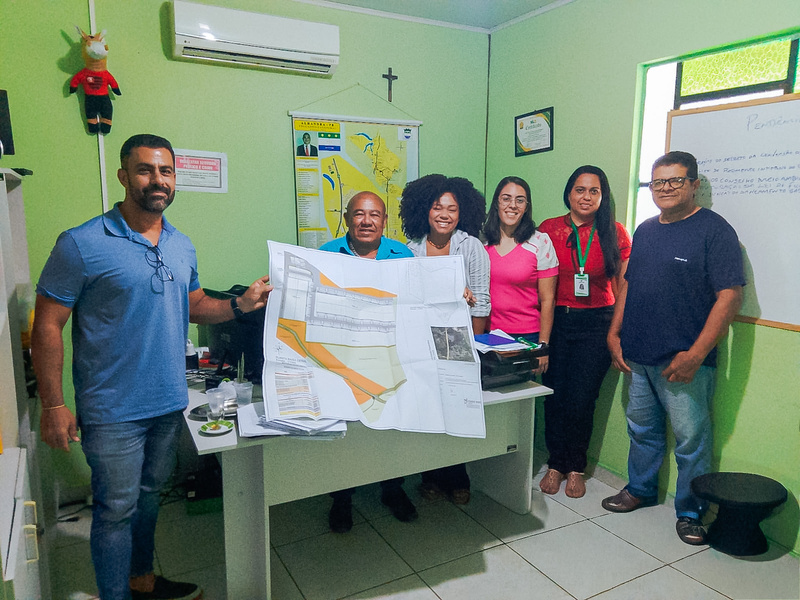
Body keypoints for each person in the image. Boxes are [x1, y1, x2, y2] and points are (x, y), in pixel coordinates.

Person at [31, 134, 272, 600]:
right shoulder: (81, 243)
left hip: (168, 401)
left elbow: (195, 305)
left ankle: (140, 580)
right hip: (112, 409)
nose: (157, 180)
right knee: (115, 510)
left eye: (166, 171)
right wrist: (54, 404)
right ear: (124, 176)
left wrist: (240, 304)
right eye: (145, 170)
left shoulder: (181, 245)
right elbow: (47, 324)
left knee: (148, 500)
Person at [602, 151, 744, 546]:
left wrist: (696, 354)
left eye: (675, 180)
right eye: (658, 182)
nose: (665, 188)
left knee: (691, 440)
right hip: (638, 354)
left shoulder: (714, 231)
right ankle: (641, 489)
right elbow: (628, 284)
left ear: (694, 185)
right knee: (641, 430)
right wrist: (615, 333)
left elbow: (730, 297)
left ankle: (691, 511)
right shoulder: (646, 230)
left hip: (684, 361)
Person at [319, 191, 417, 533]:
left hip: (390, 355)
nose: (366, 221)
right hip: (342, 357)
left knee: (391, 427)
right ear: (347, 218)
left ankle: (393, 488)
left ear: (384, 221)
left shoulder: (402, 254)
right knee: (346, 430)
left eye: (374, 215)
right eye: (359, 214)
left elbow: (418, 299)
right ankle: (341, 498)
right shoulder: (327, 253)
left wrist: (453, 293)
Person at [537, 166, 631, 498]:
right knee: (554, 395)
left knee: (582, 398)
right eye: (580, 189)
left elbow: (623, 284)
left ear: (603, 196)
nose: (586, 197)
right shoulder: (549, 229)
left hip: (597, 324)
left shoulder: (615, 232)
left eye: (594, 191)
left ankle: (576, 466)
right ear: (569, 193)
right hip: (558, 322)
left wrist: (618, 331)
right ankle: (555, 463)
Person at [400, 173, 489, 504]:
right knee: (427, 411)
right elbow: (406, 297)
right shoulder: (409, 249)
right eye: (438, 207)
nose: (445, 215)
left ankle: (458, 476)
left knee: (456, 410)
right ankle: (430, 476)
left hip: (458, 341)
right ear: (425, 209)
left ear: (461, 213)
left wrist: (475, 348)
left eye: (452, 209)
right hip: (419, 341)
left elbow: (482, 300)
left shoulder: (471, 246)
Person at [483, 176, 557, 370]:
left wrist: (543, 346)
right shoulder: (482, 242)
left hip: (527, 338)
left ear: (526, 206)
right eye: (506, 198)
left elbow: (548, 300)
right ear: (496, 203)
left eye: (520, 200)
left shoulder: (540, 241)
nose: (513, 205)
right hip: (489, 335)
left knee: (523, 389)